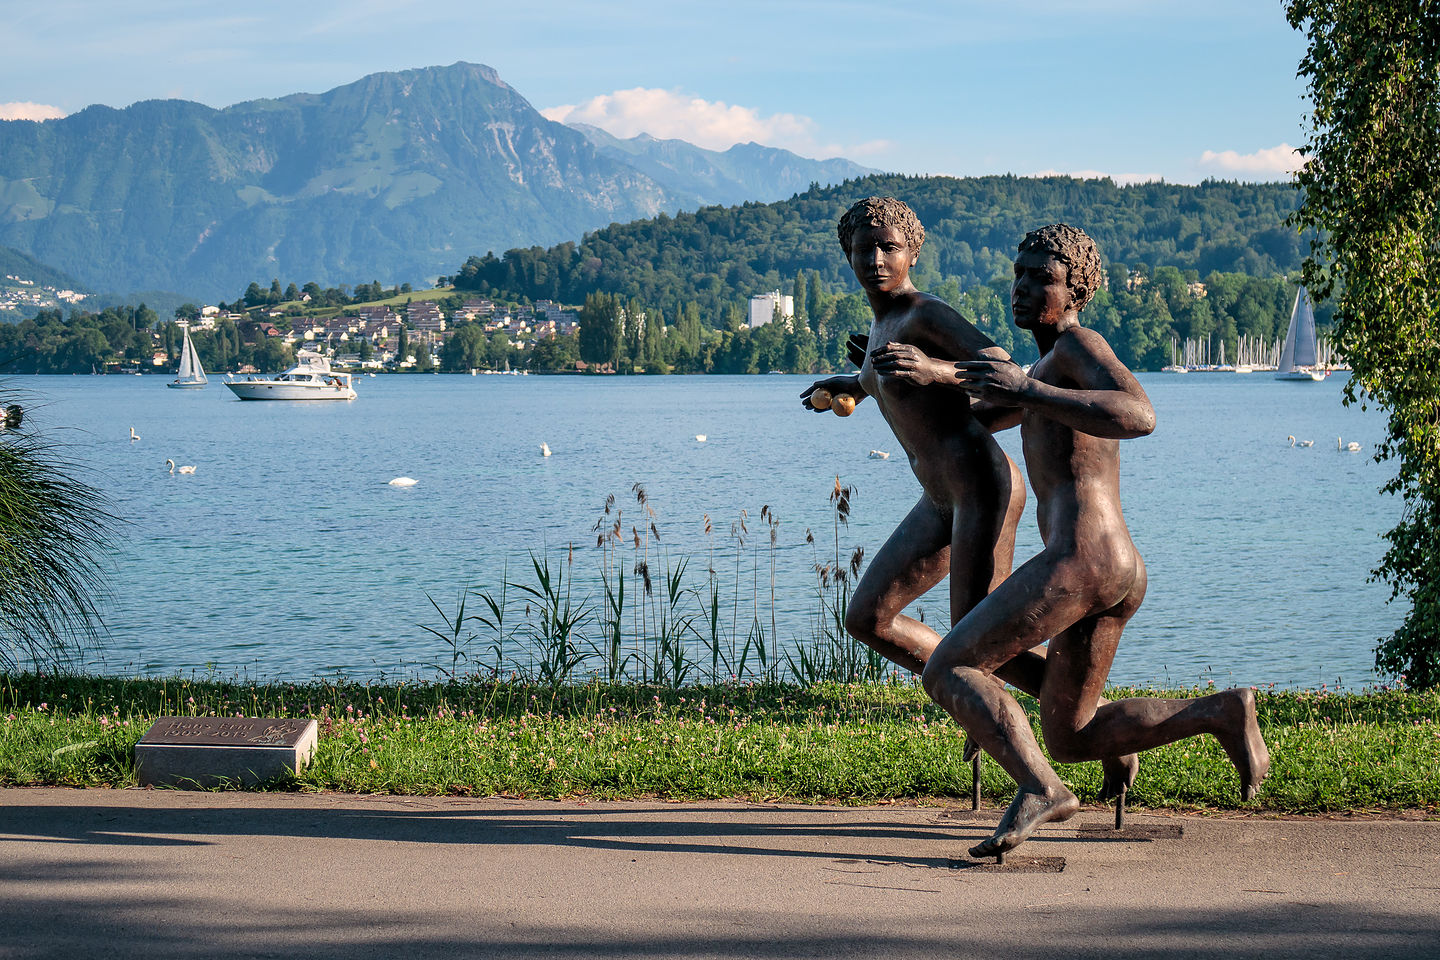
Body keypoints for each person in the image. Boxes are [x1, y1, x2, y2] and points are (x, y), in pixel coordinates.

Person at [880, 223, 1269, 858]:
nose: (1025, 288)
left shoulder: (1076, 349)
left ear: (1076, 289)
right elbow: (977, 414)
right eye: (1021, 275)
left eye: (1044, 278)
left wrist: (1027, 389)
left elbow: (1139, 413)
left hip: (1082, 560)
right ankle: (1221, 712)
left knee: (951, 664)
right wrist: (887, 381)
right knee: (1072, 732)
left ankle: (1040, 791)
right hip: (1115, 567)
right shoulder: (1045, 371)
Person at [802, 199, 1137, 797]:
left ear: (912, 253)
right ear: (846, 253)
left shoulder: (924, 312)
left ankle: (1043, 764)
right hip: (940, 496)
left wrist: (934, 371)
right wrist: (857, 384)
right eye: (863, 249)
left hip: (980, 489)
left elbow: (998, 364)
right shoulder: (883, 325)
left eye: (889, 247)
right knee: (868, 619)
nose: (876, 260)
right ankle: (1085, 714)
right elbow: (938, 390)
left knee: (973, 647)